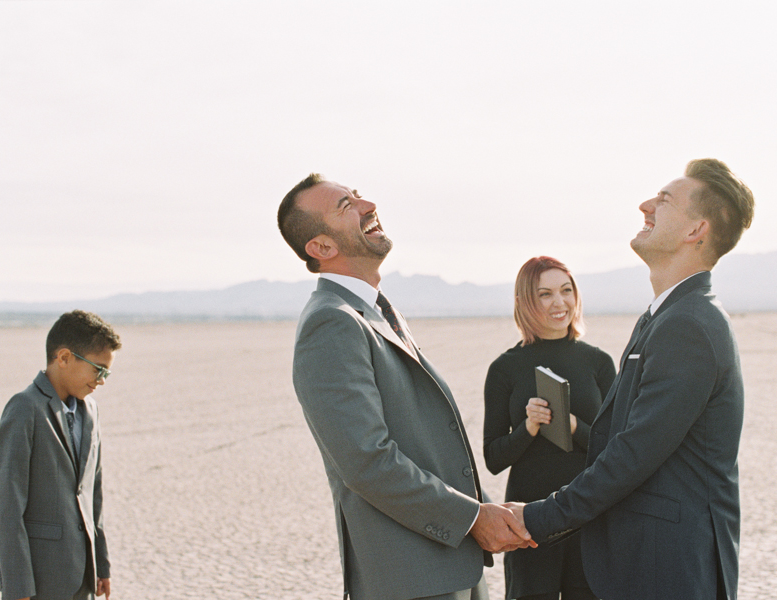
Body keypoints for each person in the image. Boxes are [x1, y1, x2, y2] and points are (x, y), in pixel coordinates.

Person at [277, 173, 534, 600]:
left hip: (451, 567)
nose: (368, 205)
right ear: (322, 247)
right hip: (410, 581)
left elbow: (425, 441)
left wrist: (488, 510)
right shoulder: (332, 323)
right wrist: (473, 519)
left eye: (357, 195)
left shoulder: (372, 310)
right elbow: (368, 462)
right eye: (346, 206)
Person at [509, 159, 755, 600]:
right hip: (644, 563)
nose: (645, 205)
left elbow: (633, 454)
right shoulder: (665, 316)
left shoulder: (690, 325)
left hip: (669, 571)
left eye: (664, 200)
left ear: (695, 230)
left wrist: (537, 518)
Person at [484, 257, 616, 600]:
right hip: (529, 523)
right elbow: (493, 458)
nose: (559, 303)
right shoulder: (504, 368)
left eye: (566, 291)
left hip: (589, 516)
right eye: (545, 294)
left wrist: (573, 426)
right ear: (525, 302)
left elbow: (617, 450)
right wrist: (527, 428)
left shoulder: (599, 362)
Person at [0, 310, 121, 600]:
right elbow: (8, 508)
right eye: (98, 369)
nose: (102, 381)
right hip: (38, 580)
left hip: (83, 576)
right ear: (64, 357)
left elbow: (93, 495)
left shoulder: (91, 410)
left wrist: (101, 565)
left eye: (107, 372)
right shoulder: (24, 408)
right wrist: (18, 588)